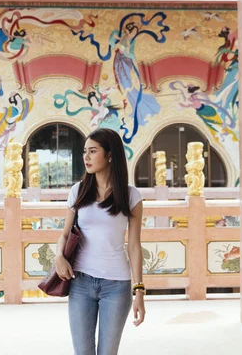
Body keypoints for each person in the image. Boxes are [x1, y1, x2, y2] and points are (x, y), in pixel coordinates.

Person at [55, 128, 145, 355]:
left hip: (116, 286)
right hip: (81, 283)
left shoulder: (131, 196)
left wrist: (139, 291)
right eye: (85, 151)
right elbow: (65, 234)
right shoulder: (78, 191)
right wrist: (59, 257)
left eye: (93, 151)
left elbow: (134, 246)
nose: (86, 157)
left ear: (110, 155)